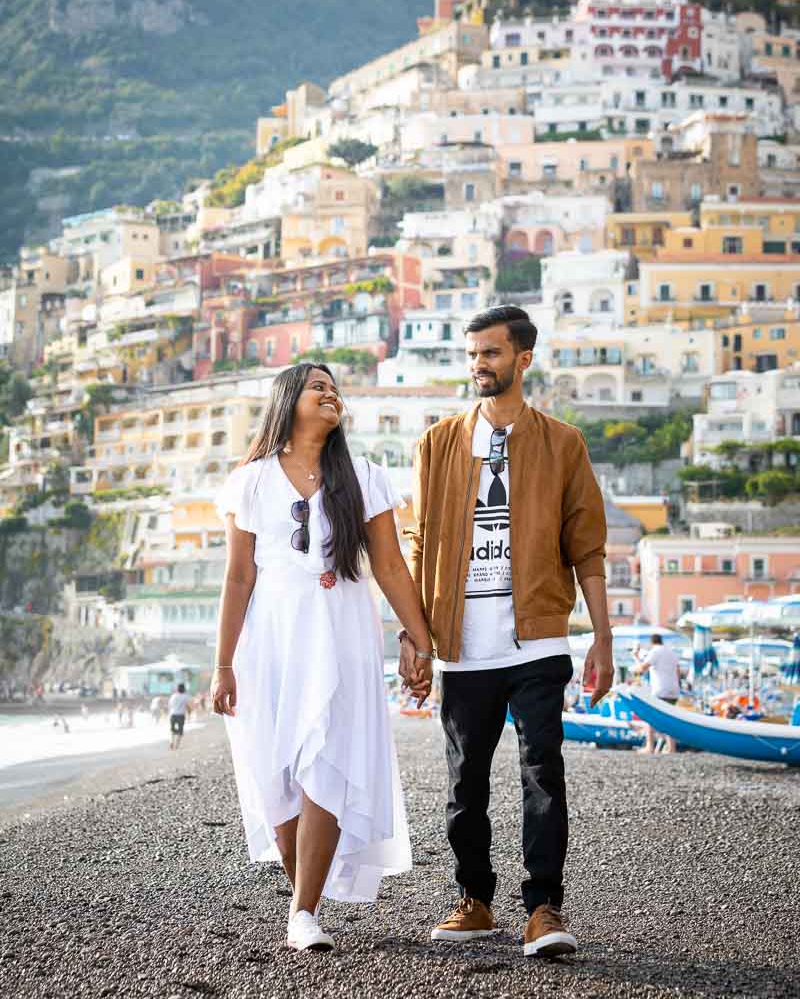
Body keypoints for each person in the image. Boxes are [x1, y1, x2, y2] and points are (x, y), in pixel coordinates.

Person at [401, 305, 613, 959]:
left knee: (542, 773)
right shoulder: (437, 444)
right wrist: (414, 636)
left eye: (490, 354)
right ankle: (475, 899)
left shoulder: (563, 443)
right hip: (464, 646)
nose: (478, 366)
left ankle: (544, 909)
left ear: (524, 358)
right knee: (465, 784)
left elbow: (588, 547)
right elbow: (418, 543)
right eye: (471, 355)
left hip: (540, 638)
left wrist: (603, 639)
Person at [210, 363, 433, 953]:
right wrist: (222, 663)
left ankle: (302, 912)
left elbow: (389, 565)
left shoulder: (362, 476)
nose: (330, 394)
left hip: (340, 634)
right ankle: (303, 893)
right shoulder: (251, 482)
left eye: (335, 389)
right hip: (270, 641)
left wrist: (420, 640)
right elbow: (237, 578)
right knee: (273, 775)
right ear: (288, 401)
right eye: (318, 387)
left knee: (326, 760)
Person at [634, 634, 680, 754]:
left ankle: (650, 746)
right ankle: (671, 748)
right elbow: (678, 671)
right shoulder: (671, 652)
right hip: (674, 690)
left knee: (649, 716)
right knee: (670, 719)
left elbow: (641, 669)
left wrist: (635, 656)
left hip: (660, 689)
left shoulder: (655, 651)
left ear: (652, 642)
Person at [168, 683, 190, 749]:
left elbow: (170, 705)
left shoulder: (173, 696)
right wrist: (189, 713)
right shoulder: (185, 696)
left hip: (173, 714)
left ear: (177, 689)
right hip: (181, 715)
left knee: (172, 729)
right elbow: (187, 706)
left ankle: (171, 741)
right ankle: (176, 745)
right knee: (180, 731)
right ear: (184, 689)